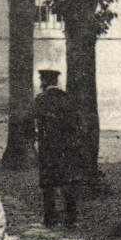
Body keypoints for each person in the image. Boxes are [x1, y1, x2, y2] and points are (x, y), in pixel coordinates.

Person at [32, 69, 83, 228]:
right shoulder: (68, 99)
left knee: (48, 184)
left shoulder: (41, 99)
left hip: (48, 148)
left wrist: (35, 139)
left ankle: (50, 218)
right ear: (56, 82)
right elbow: (78, 123)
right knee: (68, 181)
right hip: (67, 148)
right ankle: (71, 218)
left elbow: (30, 121)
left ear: (43, 82)